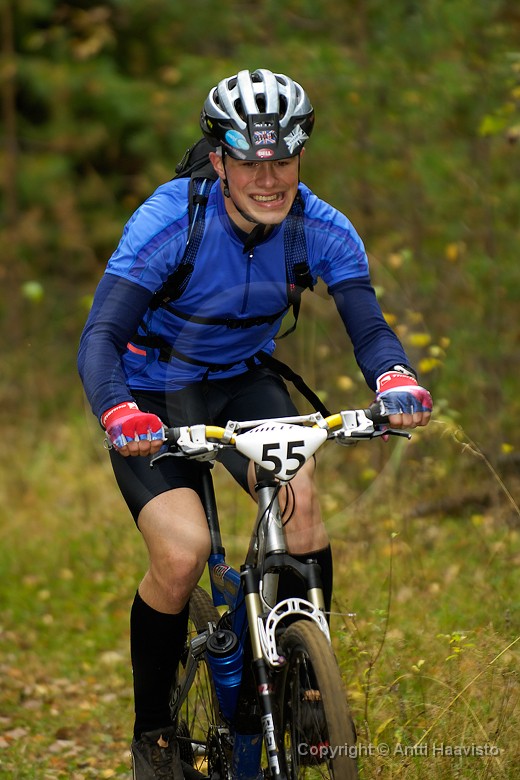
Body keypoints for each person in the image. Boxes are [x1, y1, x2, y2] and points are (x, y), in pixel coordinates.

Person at [78, 68, 432, 780]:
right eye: (249, 162)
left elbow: (369, 327)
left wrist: (394, 377)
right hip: (152, 393)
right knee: (182, 554)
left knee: (302, 505)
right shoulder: (169, 221)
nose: (269, 180)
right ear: (219, 161)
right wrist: (119, 410)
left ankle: (307, 683)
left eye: (284, 160)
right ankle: (154, 735)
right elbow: (101, 336)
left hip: (242, 380)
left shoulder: (320, 227)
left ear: (300, 155)